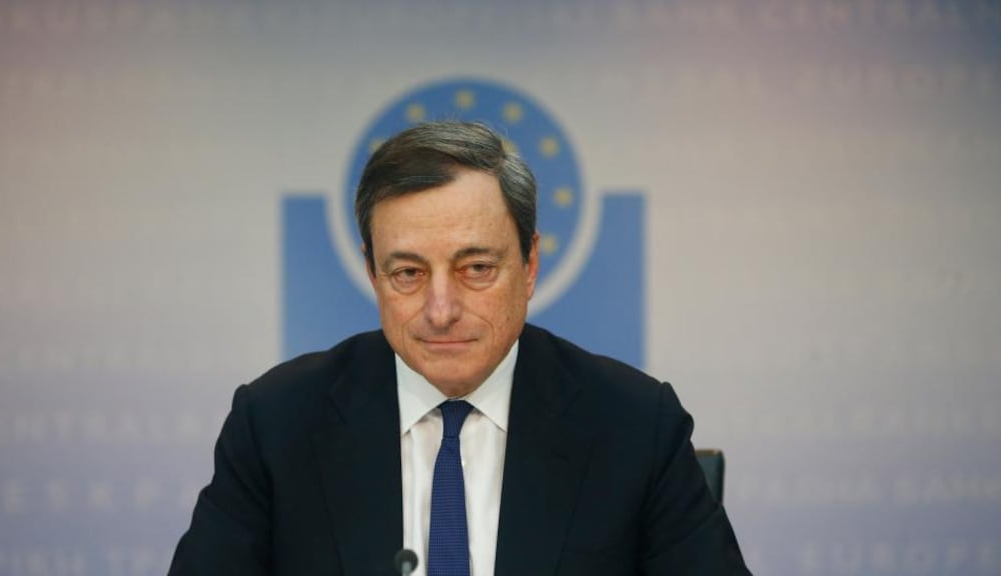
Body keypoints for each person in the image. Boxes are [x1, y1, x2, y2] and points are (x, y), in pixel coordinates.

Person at [168, 121, 751, 575]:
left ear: (530, 266)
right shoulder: (277, 423)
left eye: (475, 268)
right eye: (408, 274)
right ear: (373, 276)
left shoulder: (633, 425)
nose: (441, 310)